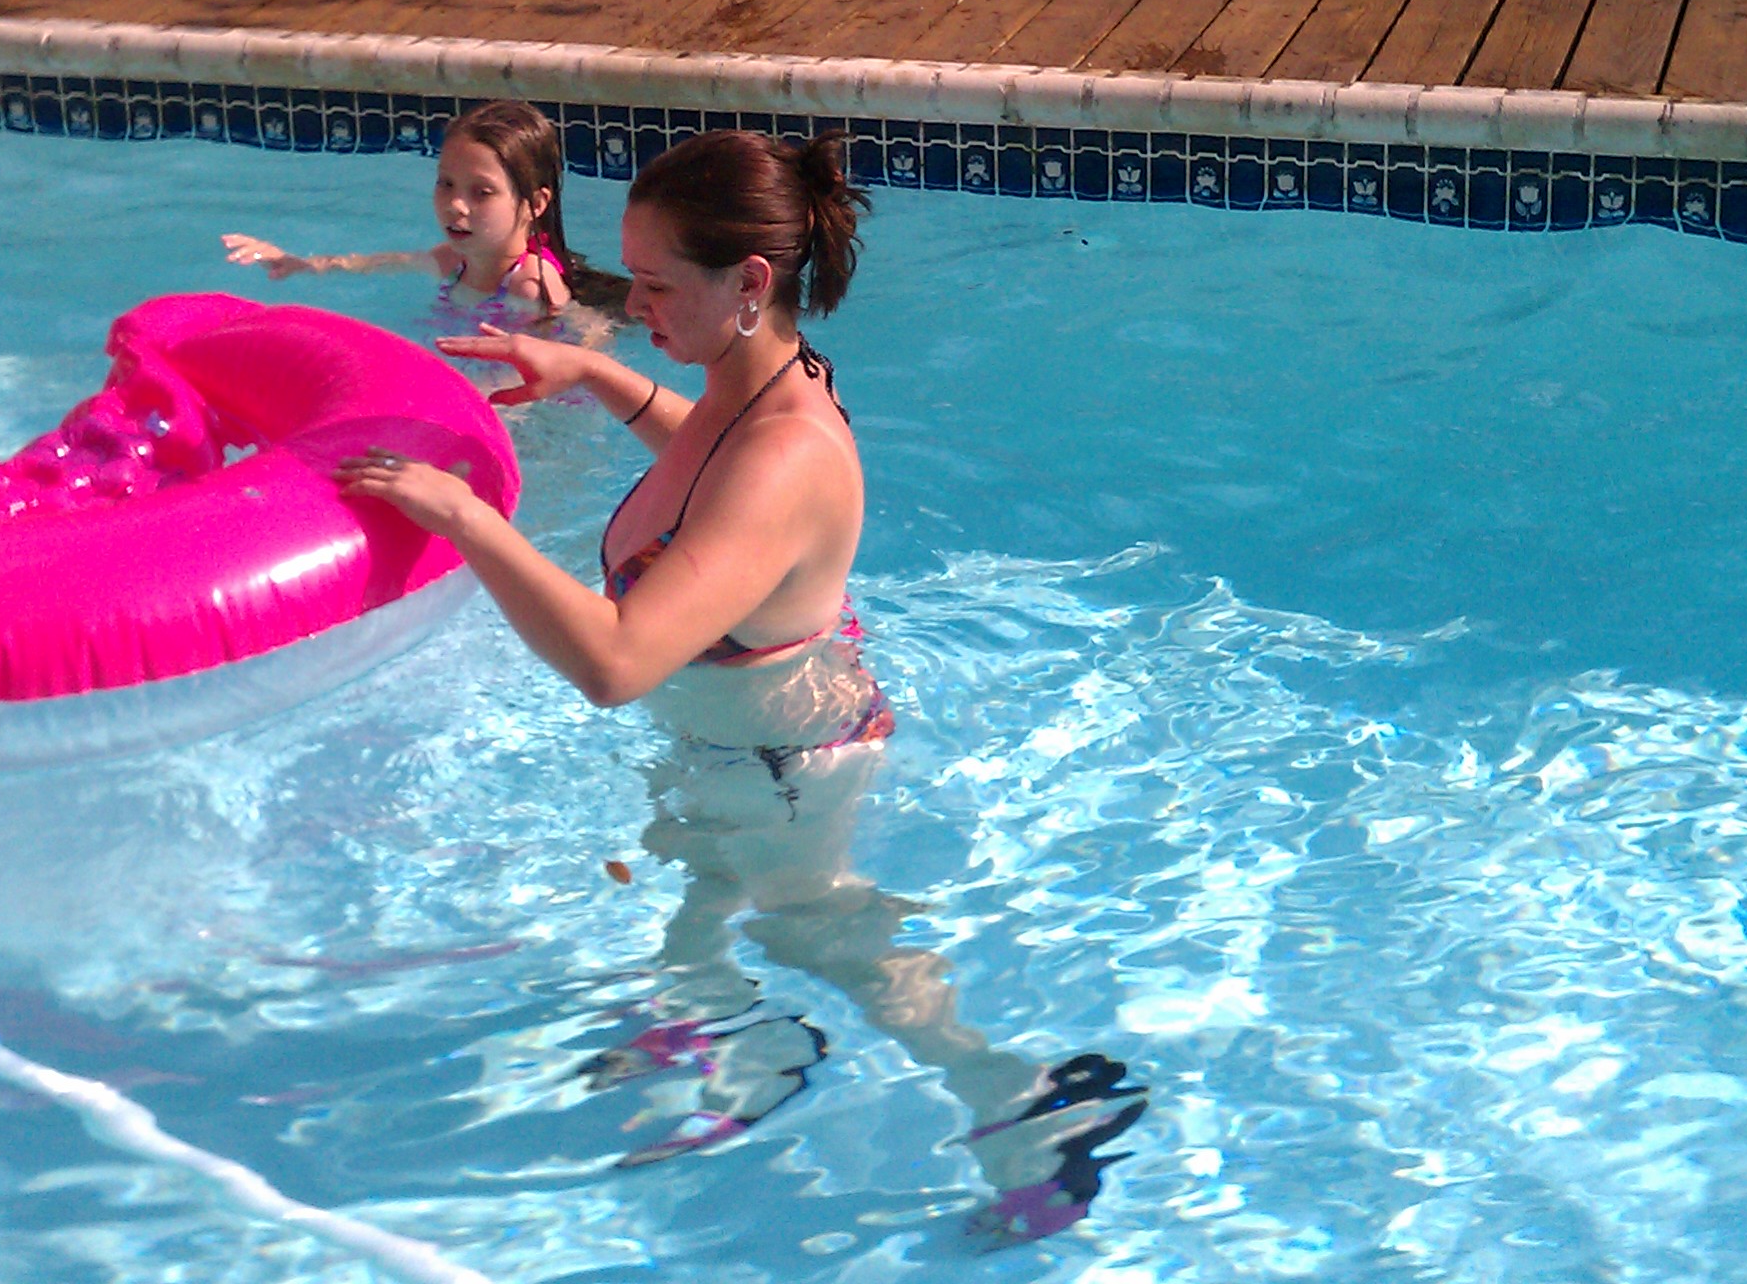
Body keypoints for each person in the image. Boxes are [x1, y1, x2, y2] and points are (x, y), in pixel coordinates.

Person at [334, 128, 1147, 1244]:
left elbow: (617, 661)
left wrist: (467, 519)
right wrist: (597, 374)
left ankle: (1023, 1103)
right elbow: (705, 466)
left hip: (782, 767)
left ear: (749, 281)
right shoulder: (755, 378)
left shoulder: (786, 451)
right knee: (697, 876)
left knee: (821, 929)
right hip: (746, 739)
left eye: (658, 285)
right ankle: (724, 1031)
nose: (634, 305)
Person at [221, 100, 609, 324]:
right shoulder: (453, 261)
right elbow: (374, 264)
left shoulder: (529, 285)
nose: (456, 205)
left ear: (535, 204)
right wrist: (298, 263)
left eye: (482, 193)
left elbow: (551, 364)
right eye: (446, 184)